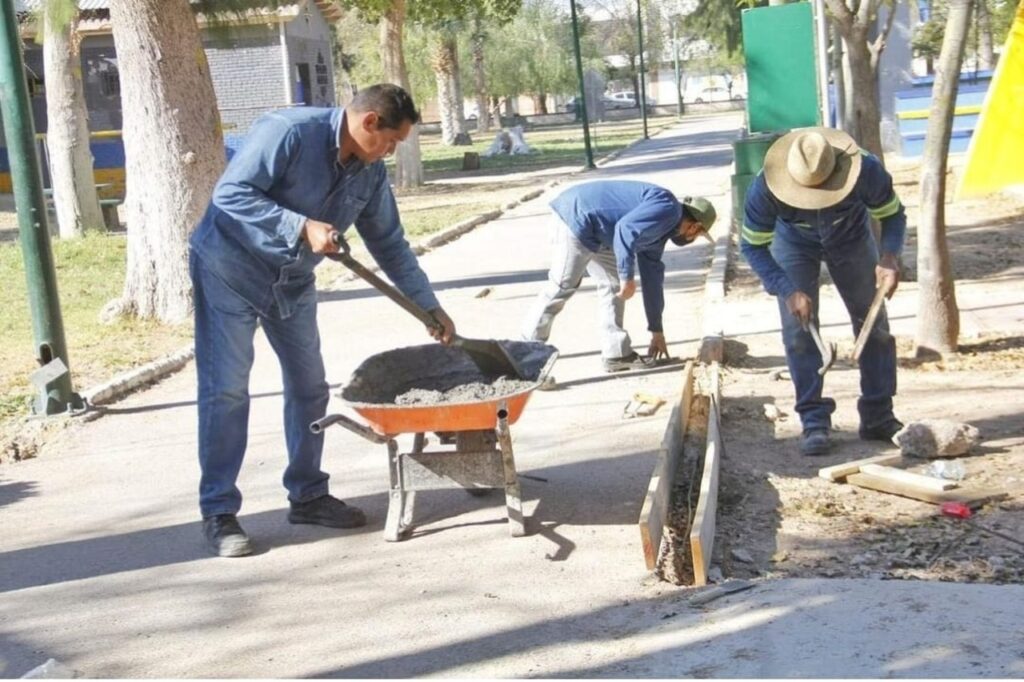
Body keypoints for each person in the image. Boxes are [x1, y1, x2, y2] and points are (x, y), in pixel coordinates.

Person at [189, 84, 455, 557]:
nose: (391, 152)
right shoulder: (288, 133)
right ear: (369, 121)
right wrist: (300, 224)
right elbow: (231, 193)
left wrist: (427, 307)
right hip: (228, 270)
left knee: (310, 386)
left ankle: (308, 494)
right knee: (227, 389)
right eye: (391, 141)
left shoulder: (370, 175)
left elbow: (390, 245)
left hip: (291, 282)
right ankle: (219, 512)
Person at [741, 126, 905, 456]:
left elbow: (892, 215)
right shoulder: (764, 187)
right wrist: (787, 290)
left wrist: (889, 257)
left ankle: (878, 415)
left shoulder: (867, 170)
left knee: (873, 324)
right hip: (793, 243)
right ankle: (814, 421)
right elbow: (753, 247)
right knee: (799, 331)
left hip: (852, 237)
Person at [521, 180, 716, 372]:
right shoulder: (668, 209)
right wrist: (627, 277)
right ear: (694, 227)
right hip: (577, 216)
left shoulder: (661, 232)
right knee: (562, 287)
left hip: (600, 232)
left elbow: (652, 282)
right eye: (698, 235)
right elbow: (626, 229)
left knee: (612, 287)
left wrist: (657, 331)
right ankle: (526, 358)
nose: (692, 240)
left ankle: (616, 353)